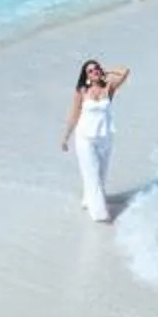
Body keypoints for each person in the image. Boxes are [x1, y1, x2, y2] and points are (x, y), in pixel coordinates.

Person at [58, 58, 131, 222]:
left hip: (105, 137)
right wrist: (66, 137)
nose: (94, 71)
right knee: (92, 176)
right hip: (85, 139)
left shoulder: (109, 88)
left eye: (96, 68)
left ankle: (88, 200)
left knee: (101, 175)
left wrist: (107, 71)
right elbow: (74, 115)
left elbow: (125, 71)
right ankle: (100, 215)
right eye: (90, 71)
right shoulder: (82, 91)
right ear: (86, 75)